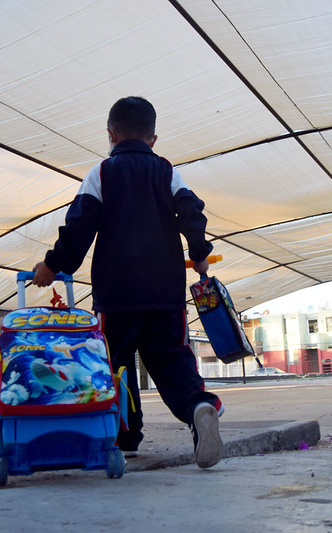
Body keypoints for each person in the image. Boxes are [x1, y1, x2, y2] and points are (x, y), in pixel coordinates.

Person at [32, 96, 224, 468]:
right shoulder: (166, 171)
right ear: (153, 139)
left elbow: (78, 227)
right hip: (164, 291)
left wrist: (52, 266)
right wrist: (199, 252)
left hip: (116, 293)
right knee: (171, 359)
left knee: (115, 364)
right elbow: (191, 211)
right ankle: (199, 407)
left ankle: (124, 437)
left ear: (111, 134)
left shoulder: (101, 173)